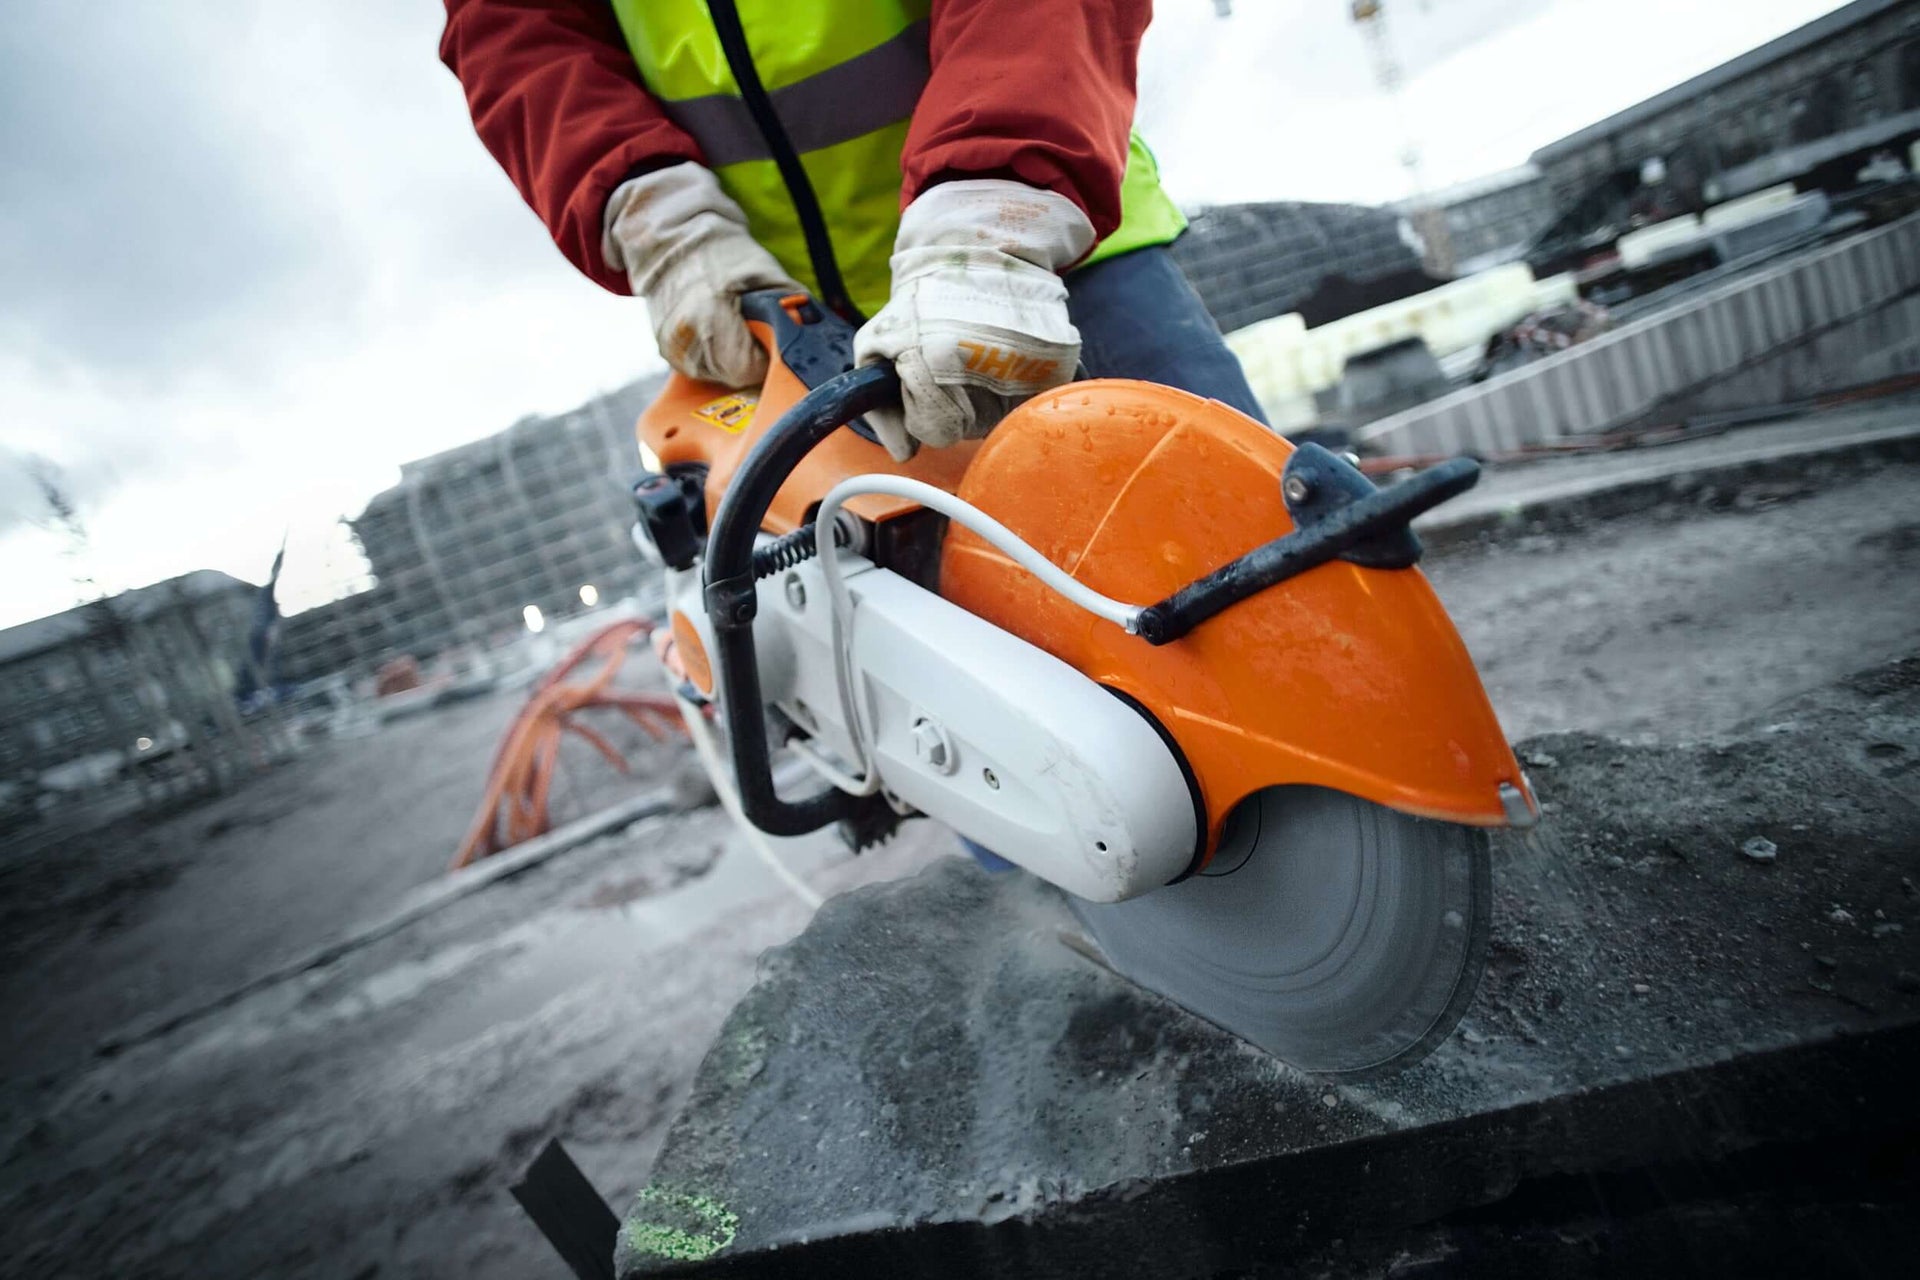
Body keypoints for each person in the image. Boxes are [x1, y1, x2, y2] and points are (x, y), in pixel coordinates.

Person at [440, 0, 1267, 463]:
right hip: (783, 334)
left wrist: (994, 204)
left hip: (1045, 264)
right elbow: (516, 29)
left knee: (1268, 588)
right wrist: (657, 219)